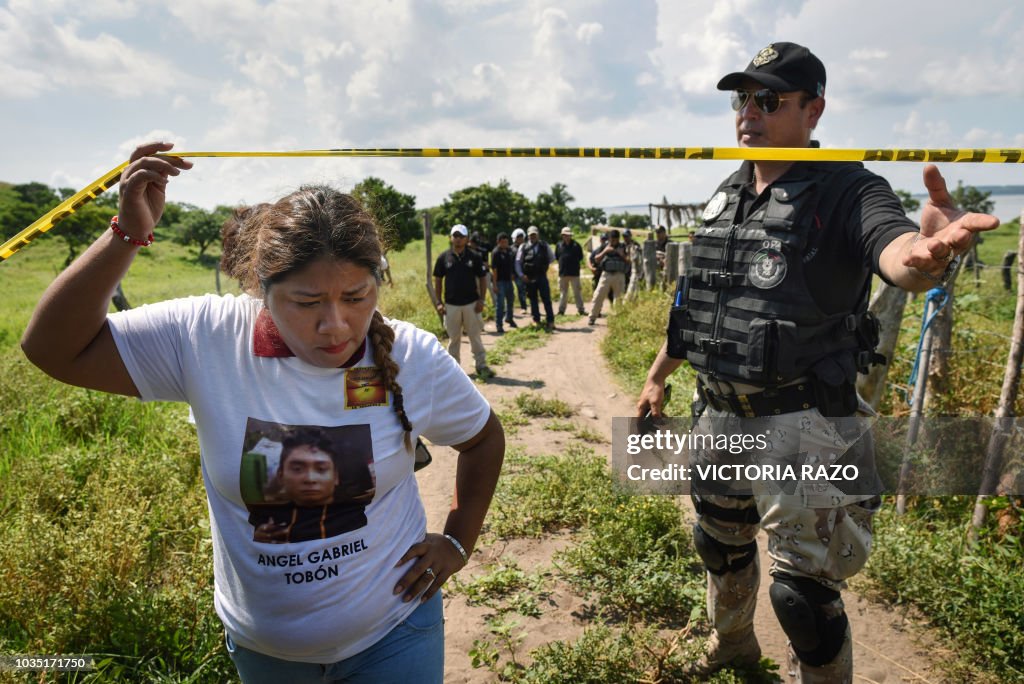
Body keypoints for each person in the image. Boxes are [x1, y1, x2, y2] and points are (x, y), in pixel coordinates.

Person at [21, 142, 505, 684]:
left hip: (394, 636)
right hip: (264, 654)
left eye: (356, 296)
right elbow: (51, 348)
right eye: (306, 302)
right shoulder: (205, 338)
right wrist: (127, 234)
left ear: (379, 282)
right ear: (261, 290)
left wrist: (459, 541)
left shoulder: (412, 356)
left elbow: (482, 439)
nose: (336, 326)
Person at [634, 42, 998, 682]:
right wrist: (659, 373)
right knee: (719, 544)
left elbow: (896, 248)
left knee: (803, 597)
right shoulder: (729, 190)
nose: (749, 112)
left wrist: (923, 256)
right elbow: (701, 303)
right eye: (741, 98)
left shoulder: (849, 188)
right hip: (719, 413)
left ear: (814, 110)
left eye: (767, 99)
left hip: (803, 425)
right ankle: (733, 649)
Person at [433, 224, 493, 378]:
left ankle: (481, 365)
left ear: (467, 239)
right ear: (451, 238)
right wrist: (439, 302)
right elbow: (438, 280)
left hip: (471, 304)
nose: (458, 239)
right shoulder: (443, 258)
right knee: (454, 339)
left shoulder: (475, 257)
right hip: (451, 305)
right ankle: (454, 371)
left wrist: (481, 300)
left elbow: (482, 279)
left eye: (461, 236)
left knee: (475, 336)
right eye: (455, 236)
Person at [515, 225, 556, 331]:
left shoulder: (544, 245)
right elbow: (518, 262)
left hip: (542, 276)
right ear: (528, 236)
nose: (532, 236)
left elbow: (552, 258)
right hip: (529, 278)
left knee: (546, 299)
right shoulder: (523, 247)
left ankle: (550, 321)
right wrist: (521, 275)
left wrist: (542, 266)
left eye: (534, 234)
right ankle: (536, 320)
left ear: (538, 234)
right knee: (533, 300)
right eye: (530, 235)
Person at [587, 228, 629, 326]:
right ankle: (592, 317)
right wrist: (605, 251)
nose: (613, 241)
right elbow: (596, 259)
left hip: (619, 275)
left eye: (615, 239)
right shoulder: (604, 246)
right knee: (598, 295)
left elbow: (629, 260)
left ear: (618, 239)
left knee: (618, 298)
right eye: (611, 239)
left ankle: (618, 320)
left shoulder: (623, 246)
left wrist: (621, 254)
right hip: (606, 274)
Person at [555, 226, 587, 316]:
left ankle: (581, 310)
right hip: (563, 273)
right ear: (562, 235)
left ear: (570, 235)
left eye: (568, 235)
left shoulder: (576, 245)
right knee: (563, 293)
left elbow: (580, 257)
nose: (566, 236)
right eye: (565, 235)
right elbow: (557, 257)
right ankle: (561, 311)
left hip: (574, 273)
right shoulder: (559, 245)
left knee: (577, 292)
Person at [490, 232, 518, 334]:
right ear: (498, 242)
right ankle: (499, 324)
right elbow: (494, 269)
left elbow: (512, 264)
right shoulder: (496, 253)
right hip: (499, 281)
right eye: (503, 242)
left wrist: (512, 274)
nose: (505, 244)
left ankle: (509, 318)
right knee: (500, 304)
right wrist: (495, 284)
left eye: (506, 242)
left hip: (508, 280)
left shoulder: (509, 251)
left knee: (510, 300)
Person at [621, 228, 643, 300]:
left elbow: (633, 259)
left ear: (630, 236)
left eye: (626, 236)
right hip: (624, 269)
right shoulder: (622, 245)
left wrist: (623, 256)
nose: (625, 238)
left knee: (633, 287)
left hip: (633, 269)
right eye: (624, 236)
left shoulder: (635, 245)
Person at [510, 227, 528, 311]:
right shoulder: (511, 249)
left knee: (524, 290)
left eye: (521, 238)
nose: (520, 239)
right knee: (518, 290)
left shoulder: (526, 247)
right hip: (515, 274)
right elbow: (510, 262)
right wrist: (512, 273)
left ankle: (525, 306)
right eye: (518, 238)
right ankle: (520, 307)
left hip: (525, 272)